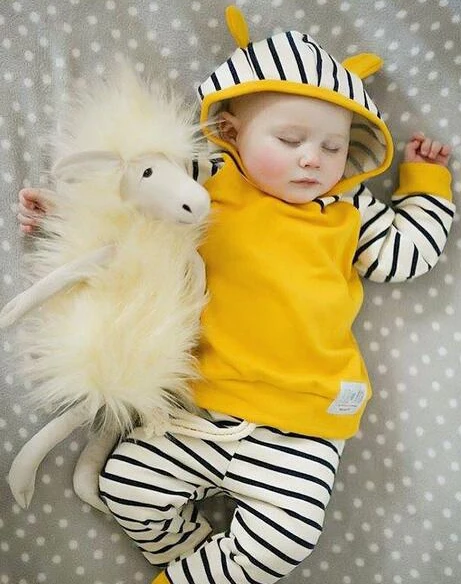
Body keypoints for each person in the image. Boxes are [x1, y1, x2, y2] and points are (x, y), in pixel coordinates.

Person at [16, 6, 454, 584]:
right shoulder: (209, 180)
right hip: (196, 404)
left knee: (288, 537)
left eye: (333, 147)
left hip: (303, 420)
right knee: (126, 488)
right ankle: (195, 561)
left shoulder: (349, 209)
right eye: (290, 139)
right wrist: (65, 213)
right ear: (230, 132)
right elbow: (134, 201)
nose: (312, 158)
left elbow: (406, 255)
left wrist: (426, 184)